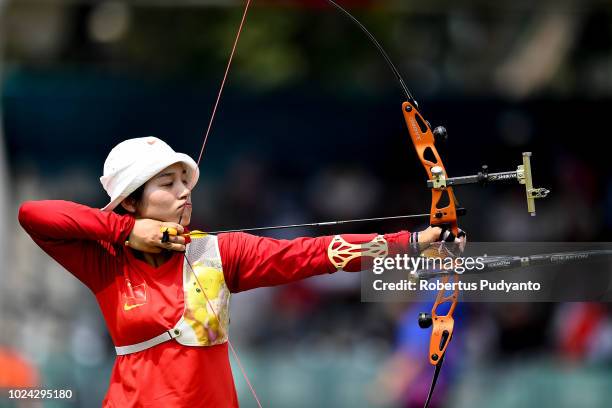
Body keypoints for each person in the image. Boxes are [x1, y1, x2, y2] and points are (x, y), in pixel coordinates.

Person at [18, 136, 456, 407]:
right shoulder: (106, 261)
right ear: (132, 201)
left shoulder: (217, 252)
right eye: (167, 185)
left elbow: (310, 254)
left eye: (184, 182)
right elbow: (34, 214)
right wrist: (127, 231)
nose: (184, 193)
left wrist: (412, 242)